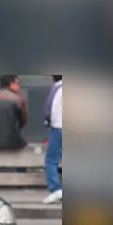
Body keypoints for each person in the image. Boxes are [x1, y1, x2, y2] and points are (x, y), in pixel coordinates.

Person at [43, 75, 63, 204]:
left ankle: (56, 190)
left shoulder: (57, 89)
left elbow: (50, 109)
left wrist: (49, 123)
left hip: (59, 128)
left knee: (51, 160)